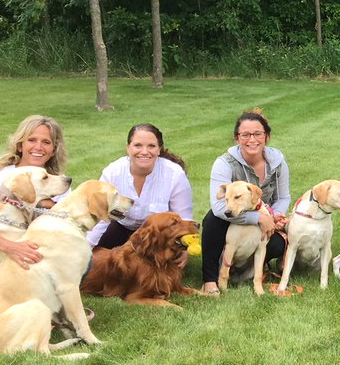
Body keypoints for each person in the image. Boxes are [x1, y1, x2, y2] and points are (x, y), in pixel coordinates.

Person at [0, 115, 69, 269]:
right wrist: (9, 247)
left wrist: (49, 205)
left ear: (53, 150)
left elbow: (67, 224)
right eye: (31, 140)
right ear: (19, 145)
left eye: (46, 142)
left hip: (40, 255)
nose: (39, 147)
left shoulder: (60, 183)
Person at [201, 108, 290, 295]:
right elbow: (218, 208)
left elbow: (283, 197)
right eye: (245, 135)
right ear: (236, 138)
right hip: (232, 218)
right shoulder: (224, 163)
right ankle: (210, 279)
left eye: (258, 134)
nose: (252, 140)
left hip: (265, 216)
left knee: (278, 244)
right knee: (212, 220)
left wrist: (274, 217)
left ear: (267, 136)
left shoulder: (278, 162)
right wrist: (257, 218)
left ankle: (254, 267)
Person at [87, 123, 194, 249]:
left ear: (159, 149)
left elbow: (184, 219)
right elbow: (100, 216)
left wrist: (184, 249)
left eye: (151, 146)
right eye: (137, 145)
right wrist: (85, 249)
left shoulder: (175, 175)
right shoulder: (112, 173)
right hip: (121, 227)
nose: (144, 152)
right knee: (100, 258)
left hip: (158, 233)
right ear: (128, 148)